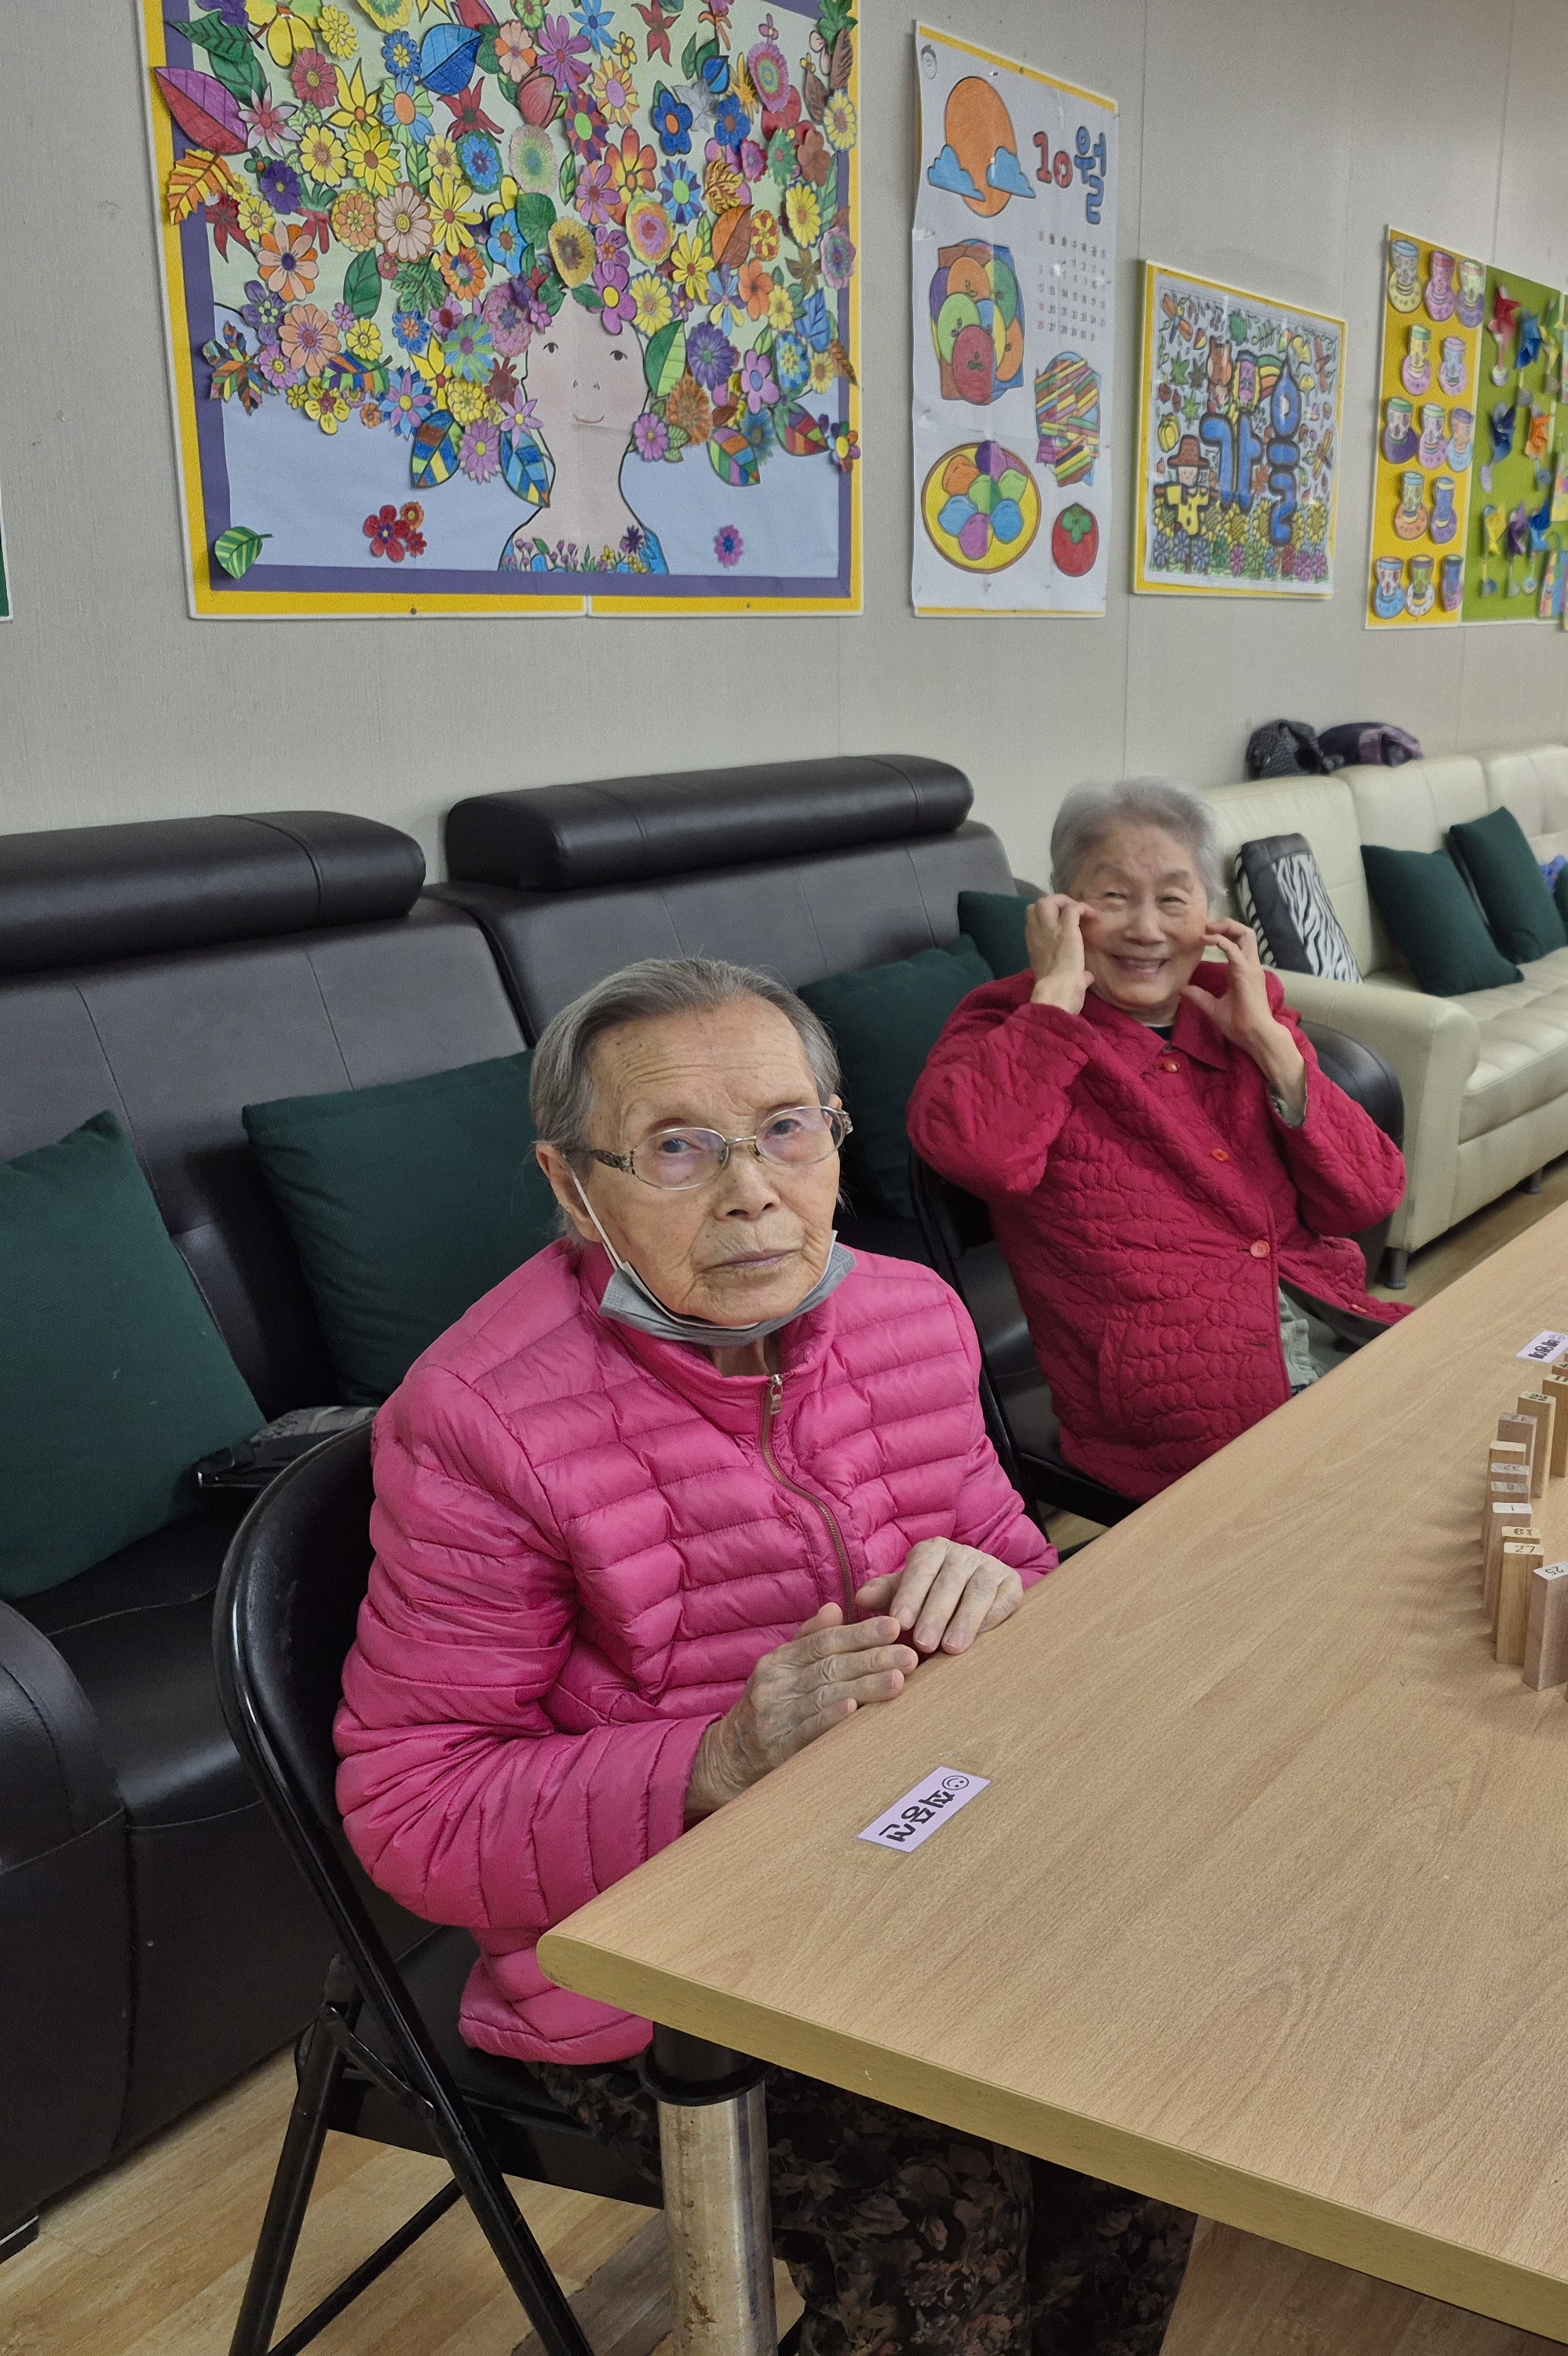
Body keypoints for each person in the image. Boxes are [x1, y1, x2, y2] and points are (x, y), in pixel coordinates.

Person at [336, 957, 1192, 2354]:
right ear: (574, 1187)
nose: (752, 1191)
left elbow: (1016, 1571)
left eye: (788, 1129)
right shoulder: (479, 1422)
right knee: (946, 2210)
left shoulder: (909, 1315)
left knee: (1138, 2089)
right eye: (678, 1148)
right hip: (658, 1959)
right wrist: (717, 1760)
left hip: (917, 1865)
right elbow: (411, 1813)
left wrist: (1001, 1590)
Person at [910, 777, 1408, 1502]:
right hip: (1171, 1391)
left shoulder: (1242, 1009)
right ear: (1060, 908)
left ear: (1209, 913)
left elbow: (1368, 1197)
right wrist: (1055, 1001)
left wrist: (1275, 1050)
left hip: (1321, 1323)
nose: (1146, 929)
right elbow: (979, 1156)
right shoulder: (1004, 1025)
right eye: (1114, 896)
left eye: (1174, 899)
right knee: (1370, 1508)